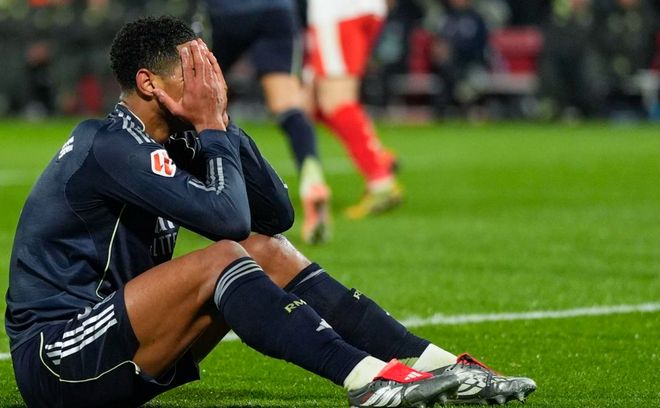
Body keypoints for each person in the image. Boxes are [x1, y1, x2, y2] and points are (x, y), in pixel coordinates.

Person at [5, 16, 536, 408]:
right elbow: (228, 223)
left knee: (267, 250)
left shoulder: (174, 138)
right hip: (58, 359)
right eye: (196, 70)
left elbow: (275, 215)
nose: (211, 80)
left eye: (211, 68)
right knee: (223, 255)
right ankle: (368, 380)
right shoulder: (107, 144)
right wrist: (210, 127)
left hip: (118, 347)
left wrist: (222, 124)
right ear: (149, 84)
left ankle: (436, 364)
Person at [203, 0, 331, 244]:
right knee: (287, 106)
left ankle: (192, 190)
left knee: (196, 95)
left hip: (226, 13)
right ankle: (312, 180)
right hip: (275, 11)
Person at [305, 0, 403, 219]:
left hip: (337, 12)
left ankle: (381, 183)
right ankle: (376, 157)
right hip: (358, 11)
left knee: (335, 101)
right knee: (309, 104)